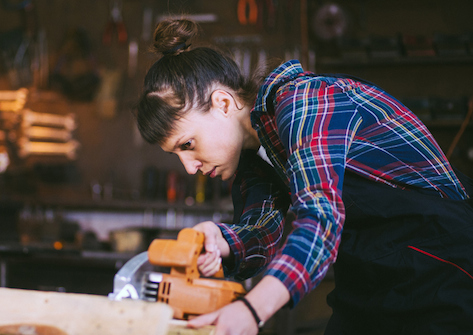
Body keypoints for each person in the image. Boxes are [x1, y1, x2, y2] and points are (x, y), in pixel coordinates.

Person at [135, 19, 473, 335]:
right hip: (371, 279)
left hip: (441, 268)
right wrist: (221, 242)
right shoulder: (254, 154)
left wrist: (253, 310)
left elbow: (320, 216)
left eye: (188, 144)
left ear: (223, 103)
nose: (189, 168)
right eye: (176, 154)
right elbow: (264, 228)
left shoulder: (304, 103)